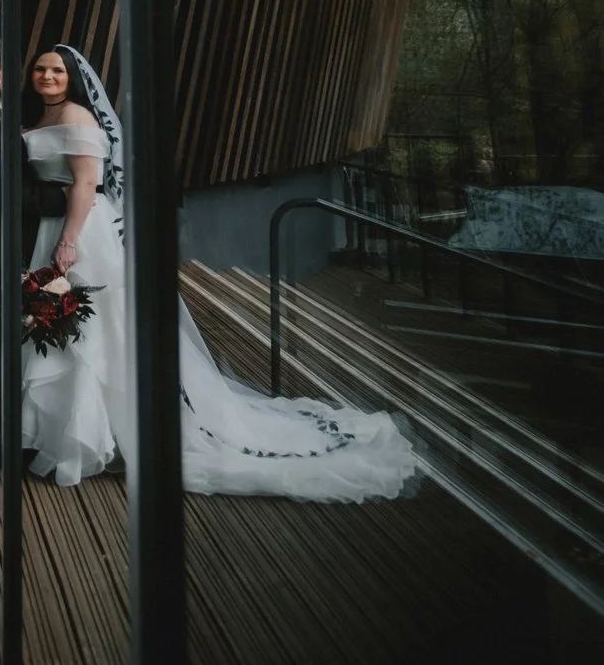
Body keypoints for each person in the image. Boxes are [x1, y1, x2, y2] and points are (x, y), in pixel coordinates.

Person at [21, 44, 419, 499]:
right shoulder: (45, 116)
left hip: (80, 231)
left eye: (56, 70)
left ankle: (93, 437)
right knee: (64, 327)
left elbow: (89, 183)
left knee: (92, 331)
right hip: (51, 225)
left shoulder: (77, 117)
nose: (47, 76)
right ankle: (64, 432)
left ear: (72, 77)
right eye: (40, 69)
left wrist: (69, 240)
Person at [0, 37, 67, 466]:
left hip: (9, 247)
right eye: (1, 67)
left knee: (4, 344)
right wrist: (58, 199)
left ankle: (3, 435)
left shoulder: (2, 116)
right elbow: (5, 191)